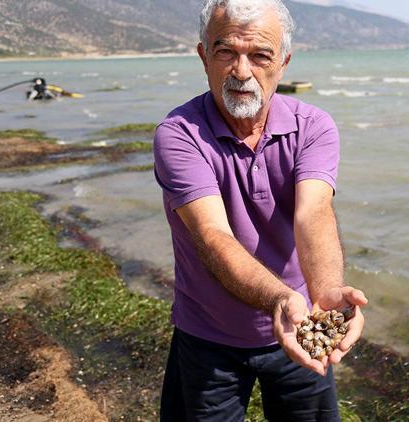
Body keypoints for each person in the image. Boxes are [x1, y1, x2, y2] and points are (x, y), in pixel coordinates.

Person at [153, 0, 368, 420]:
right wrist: (281, 299)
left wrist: (325, 293)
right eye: (226, 52)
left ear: (283, 63)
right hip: (208, 338)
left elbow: (314, 213)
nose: (242, 71)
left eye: (260, 55)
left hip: (303, 327)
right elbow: (213, 236)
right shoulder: (178, 135)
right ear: (203, 57)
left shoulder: (313, 127)